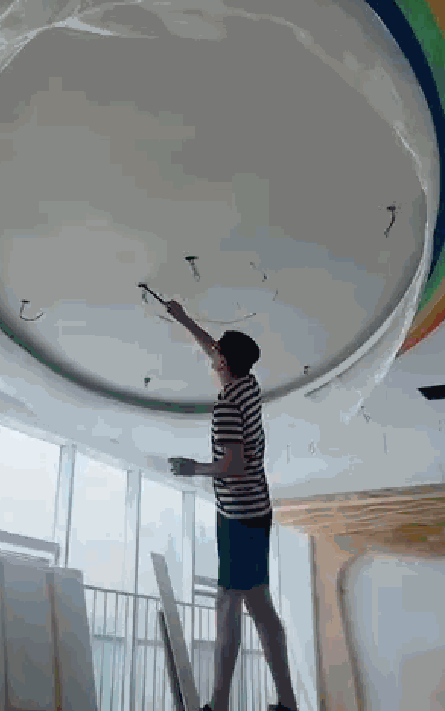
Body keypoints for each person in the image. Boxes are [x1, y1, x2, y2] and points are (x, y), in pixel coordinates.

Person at [166, 299, 298, 711]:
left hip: (240, 517)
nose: (212, 356)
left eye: (217, 354)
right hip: (254, 510)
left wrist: (193, 469)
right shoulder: (247, 384)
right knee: (257, 605)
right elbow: (214, 349)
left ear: (224, 362)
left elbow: (233, 465)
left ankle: (221, 704)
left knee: (231, 604)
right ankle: (286, 703)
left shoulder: (226, 406)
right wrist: (184, 318)